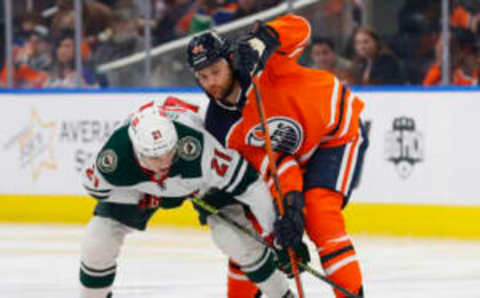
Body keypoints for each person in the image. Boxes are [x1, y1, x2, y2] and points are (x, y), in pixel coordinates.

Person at [187, 14, 368, 297]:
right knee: (249, 235)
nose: (211, 82)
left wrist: (265, 38)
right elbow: (273, 167)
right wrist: (287, 221)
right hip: (288, 159)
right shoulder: (220, 127)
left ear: (231, 61)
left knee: (320, 214)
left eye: (216, 71)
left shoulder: (260, 62)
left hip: (334, 133)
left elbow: (302, 28)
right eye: (203, 77)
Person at [79, 98, 296, 298]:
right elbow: (93, 188)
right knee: (97, 242)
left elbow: (250, 185)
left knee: (236, 240)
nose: (164, 163)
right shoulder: (114, 158)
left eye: (169, 152)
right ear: (136, 150)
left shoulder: (199, 149)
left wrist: (274, 236)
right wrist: (143, 196)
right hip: (143, 188)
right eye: (155, 157)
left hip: (200, 183)